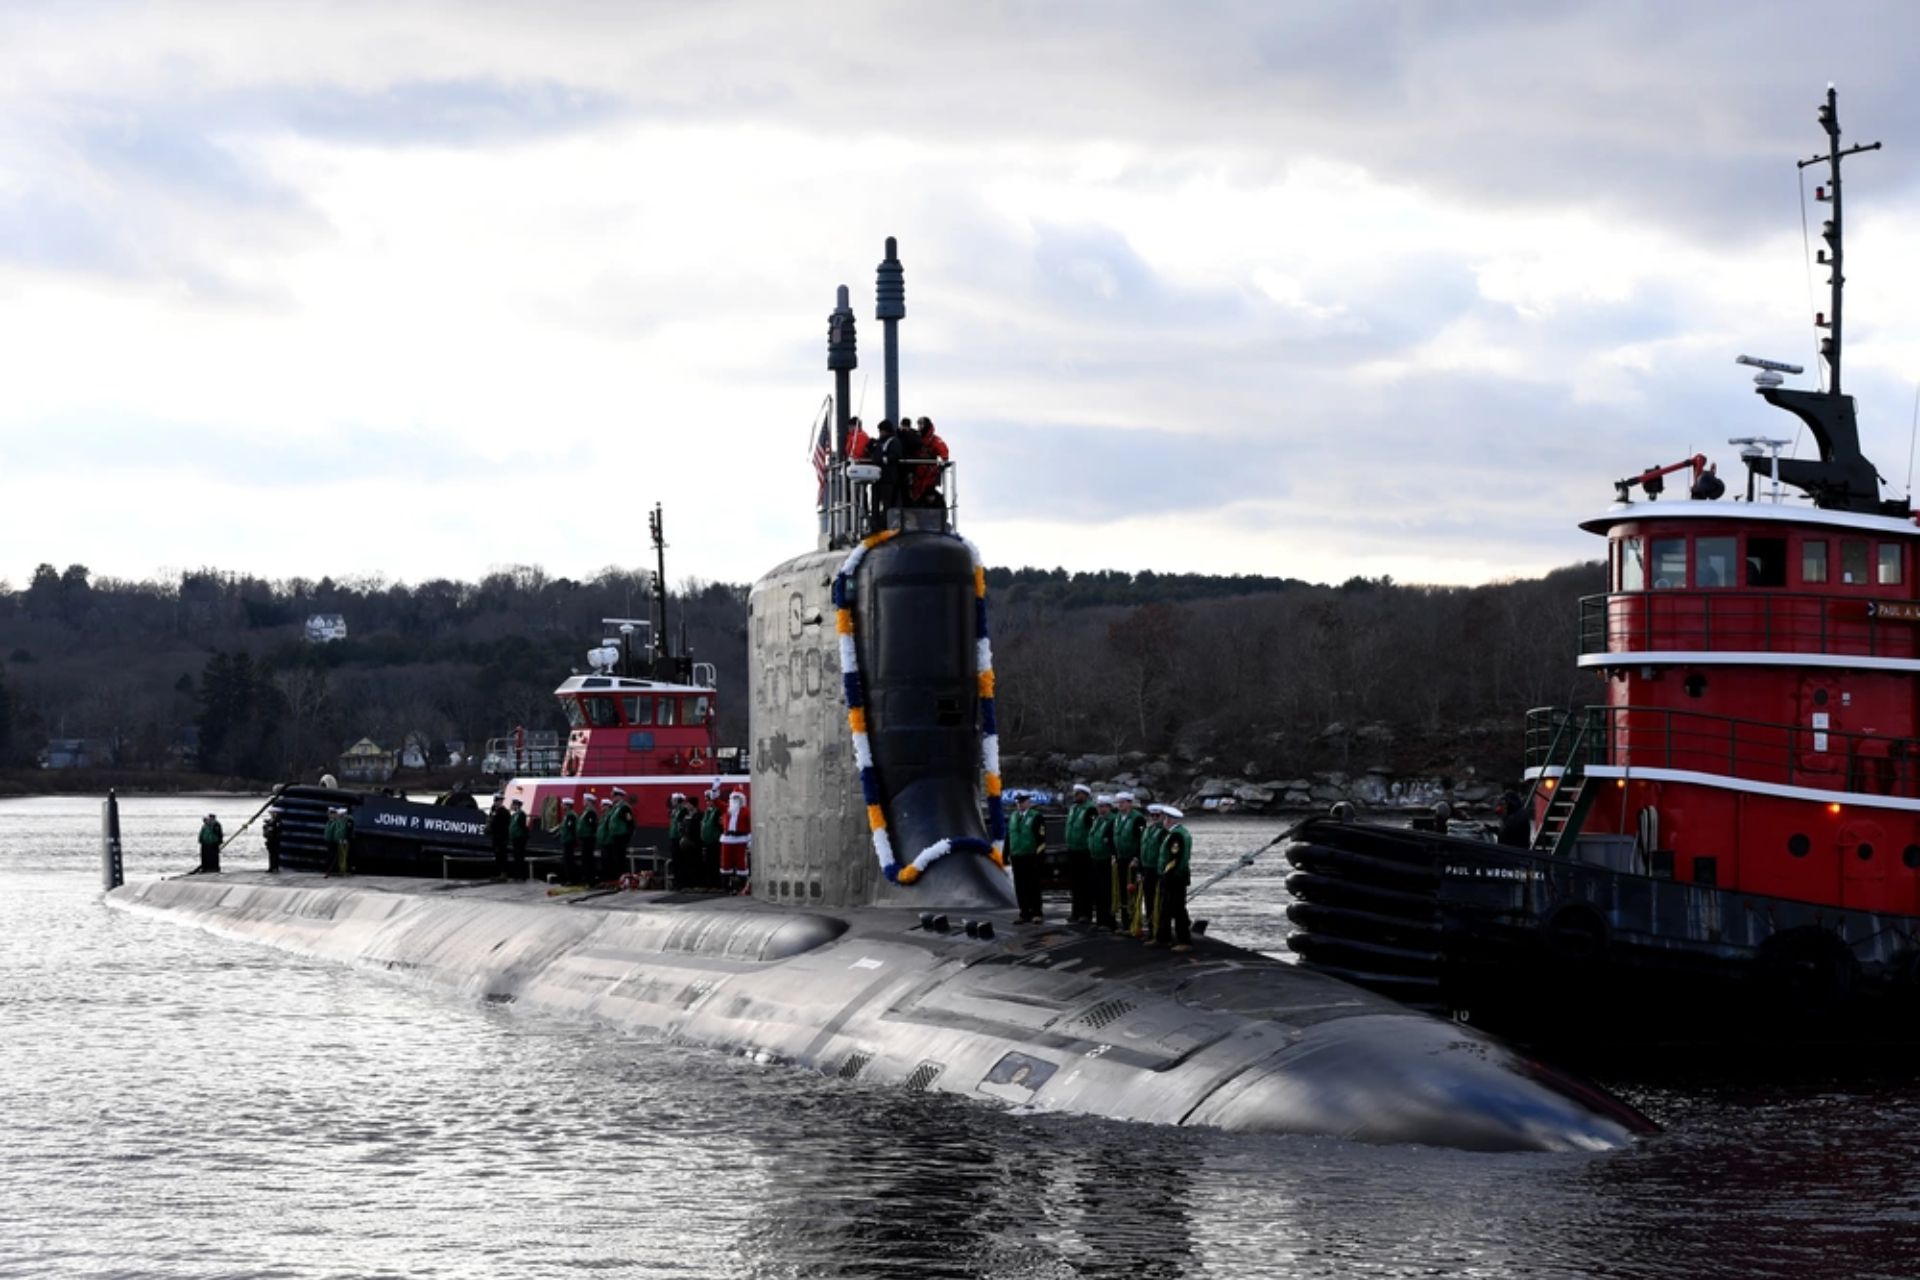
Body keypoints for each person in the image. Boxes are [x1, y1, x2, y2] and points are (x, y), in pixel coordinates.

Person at [1154, 806, 1193, 952]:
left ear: (1168, 819)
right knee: (1166, 908)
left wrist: (1166, 875)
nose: (1162, 821)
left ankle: (1184, 941)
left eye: (1164, 818)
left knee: (1177, 909)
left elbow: (1174, 859)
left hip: (1175, 878)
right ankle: (1163, 938)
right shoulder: (1179, 833)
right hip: (1175, 877)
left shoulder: (1176, 835)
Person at [1007, 791, 1047, 922]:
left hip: (1030, 856)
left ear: (1028, 802)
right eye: (1018, 801)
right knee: (1020, 886)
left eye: (1022, 801)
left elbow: (1041, 838)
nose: (1020, 804)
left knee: (1033, 885)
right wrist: (1005, 853)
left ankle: (1036, 912)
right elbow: (1009, 836)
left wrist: (1039, 857)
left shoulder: (1036, 817)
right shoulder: (1013, 816)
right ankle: (1024, 912)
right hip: (1017, 856)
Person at [1111, 793, 1146, 936]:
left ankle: (1134, 923)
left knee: (1132, 890)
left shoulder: (1137, 818)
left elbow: (1141, 841)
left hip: (1132, 860)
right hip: (1121, 858)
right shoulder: (1118, 818)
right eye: (1118, 802)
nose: (1120, 805)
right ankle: (1125, 924)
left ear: (1130, 803)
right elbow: (1115, 837)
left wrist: (1137, 858)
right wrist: (1114, 854)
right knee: (1122, 891)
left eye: (1122, 803)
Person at [1063, 783, 1096, 923]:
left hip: (1084, 850)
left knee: (1085, 883)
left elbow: (1092, 830)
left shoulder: (1090, 809)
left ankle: (1086, 913)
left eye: (1078, 794)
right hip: (1073, 849)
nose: (1075, 796)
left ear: (1085, 795)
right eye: (1075, 793)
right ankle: (1075, 912)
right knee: (1075, 883)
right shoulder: (1074, 808)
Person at [1141, 805, 1170, 943]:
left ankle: (1161, 932)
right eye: (1152, 816)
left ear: (1163, 816)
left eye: (1157, 816)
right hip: (1147, 869)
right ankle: (1152, 930)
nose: (1154, 818)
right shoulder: (1147, 830)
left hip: (1157, 870)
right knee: (1149, 900)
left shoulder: (1164, 832)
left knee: (1159, 901)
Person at [1088, 795, 1118, 930]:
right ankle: (1100, 920)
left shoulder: (1112, 820)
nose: (1101, 809)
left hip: (1107, 859)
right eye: (1099, 806)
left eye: (1103, 806)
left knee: (1107, 891)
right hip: (1096, 858)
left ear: (1109, 807)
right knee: (1097, 891)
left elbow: (1112, 841)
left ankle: (1108, 921)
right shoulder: (1097, 820)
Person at [911, 416, 948, 507]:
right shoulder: (916, 438)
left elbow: (943, 451)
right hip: (917, 472)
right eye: (918, 424)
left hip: (929, 473)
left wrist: (943, 462)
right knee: (914, 493)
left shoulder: (934, 440)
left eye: (921, 424)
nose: (919, 427)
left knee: (928, 492)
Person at [720, 789, 751, 892]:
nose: (735, 800)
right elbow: (716, 802)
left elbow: (749, 825)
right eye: (733, 798)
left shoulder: (746, 811)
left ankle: (741, 885)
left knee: (741, 862)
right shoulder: (726, 809)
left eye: (737, 798)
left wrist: (750, 839)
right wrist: (715, 789)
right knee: (726, 862)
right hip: (727, 839)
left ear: (741, 799)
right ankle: (726, 885)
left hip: (740, 839)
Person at [601, 788, 635, 881]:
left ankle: (622, 879)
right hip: (615, 836)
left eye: (614, 796)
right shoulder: (616, 807)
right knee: (615, 859)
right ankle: (617, 878)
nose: (612, 798)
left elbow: (630, 822)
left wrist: (627, 837)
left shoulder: (624, 807)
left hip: (621, 836)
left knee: (620, 859)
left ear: (619, 796)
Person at [701, 787, 725, 888]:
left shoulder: (717, 811)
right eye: (706, 800)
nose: (707, 802)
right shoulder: (708, 811)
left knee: (715, 863)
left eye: (709, 800)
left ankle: (717, 884)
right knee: (709, 864)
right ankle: (710, 883)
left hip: (715, 842)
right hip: (708, 842)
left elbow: (720, 826)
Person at [486, 794, 510, 878]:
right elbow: (490, 819)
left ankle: (503, 873)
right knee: (497, 855)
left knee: (502, 855)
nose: (499, 803)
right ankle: (498, 872)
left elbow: (505, 824)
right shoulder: (493, 810)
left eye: (500, 801)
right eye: (498, 801)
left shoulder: (504, 812)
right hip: (495, 837)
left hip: (502, 837)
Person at [576, 792, 600, 879]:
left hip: (588, 839)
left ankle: (591, 878)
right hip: (584, 838)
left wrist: (591, 835)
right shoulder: (586, 812)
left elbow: (593, 825)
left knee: (588, 859)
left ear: (589, 801)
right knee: (585, 859)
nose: (583, 801)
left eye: (584, 800)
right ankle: (587, 876)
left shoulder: (591, 812)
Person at [557, 797, 579, 881]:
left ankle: (572, 879)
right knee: (566, 860)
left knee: (569, 860)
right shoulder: (567, 815)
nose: (562, 806)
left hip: (569, 841)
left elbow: (571, 828)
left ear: (568, 806)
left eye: (563, 804)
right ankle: (568, 878)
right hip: (566, 839)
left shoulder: (571, 815)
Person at [507, 798, 530, 877]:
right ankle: (517, 873)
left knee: (520, 856)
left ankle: (521, 874)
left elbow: (523, 826)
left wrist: (524, 836)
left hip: (519, 838)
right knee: (516, 856)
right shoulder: (514, 815)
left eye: (513, 804)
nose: (511, 806)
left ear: (516, 805)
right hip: (515, 838)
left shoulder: (521, 814)